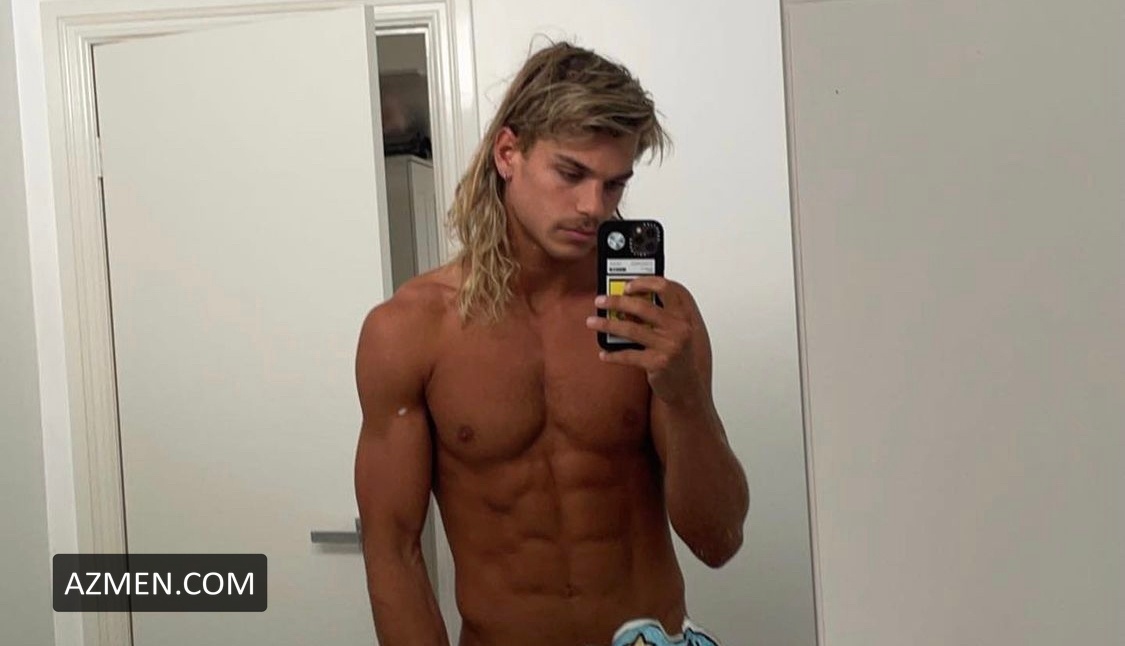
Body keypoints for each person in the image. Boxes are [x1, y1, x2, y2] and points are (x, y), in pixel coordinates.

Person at [353, 41, 749, 646]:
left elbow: (718, 541)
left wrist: (685, 395)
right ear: (508, 153)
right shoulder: (410, 330)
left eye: (614, 185)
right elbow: (392, 549)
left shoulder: (656, 320)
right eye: (571, 174)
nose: (593, 208)